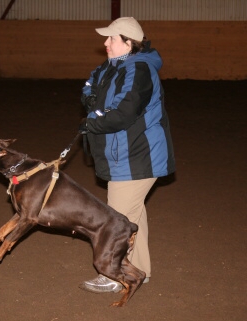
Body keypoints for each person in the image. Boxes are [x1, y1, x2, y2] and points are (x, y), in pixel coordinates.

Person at [78, 17, 176, 293]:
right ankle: (139, 270)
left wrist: (91, 122)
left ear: (129, 43)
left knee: (115, 221)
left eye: (111, 38)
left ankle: (114, 275)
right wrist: (92, 103)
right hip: (125, 154)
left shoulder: (139, 70)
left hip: (136, 156)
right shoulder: (112, 67)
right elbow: (90, 86)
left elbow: (123, 113)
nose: (105, 43)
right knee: (132, 218)